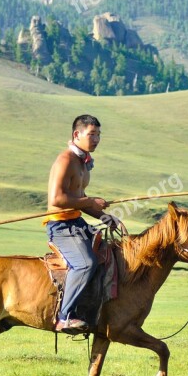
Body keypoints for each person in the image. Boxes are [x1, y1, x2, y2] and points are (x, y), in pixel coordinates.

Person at [44, 115, 115, 335]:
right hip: (61, 225)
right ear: (77, 134)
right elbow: (57, 199)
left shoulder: (83, 163)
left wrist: (105, 217)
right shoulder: (65, 160)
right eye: (91, 134)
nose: (96, 139)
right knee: (85, 264)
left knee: (109, 252)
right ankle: (64, 317)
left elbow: (80, 198)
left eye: (99, 135)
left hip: (76, 220)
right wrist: (89, 201)